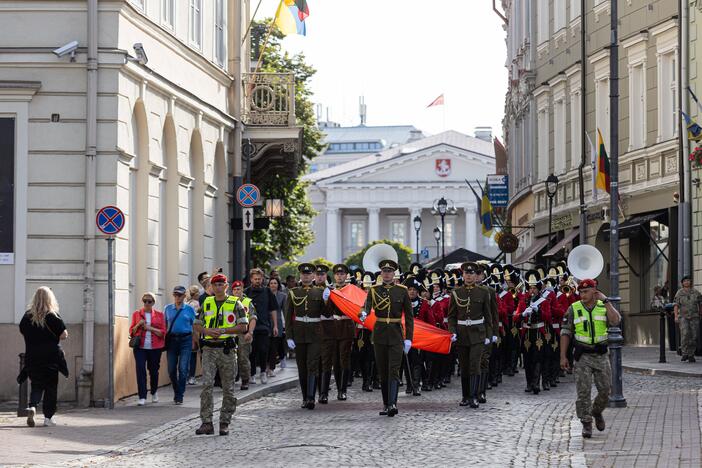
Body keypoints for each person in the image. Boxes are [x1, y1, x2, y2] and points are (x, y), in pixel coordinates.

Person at [560, 278, 621, 438]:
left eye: (586, 291)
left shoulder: (603, 306)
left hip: (601, 355)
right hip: (582, 356)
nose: (582, 294)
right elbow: (565, 332)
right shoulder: (573, 308)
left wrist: (606, 301)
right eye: (580, 291)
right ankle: (586, 423)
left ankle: (596, 411)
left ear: (595, 291)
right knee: (583, 392)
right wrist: (563, 356)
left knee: (605, 390)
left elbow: (615, 321)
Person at [194, 273, 248, 436]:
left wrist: (224, 330)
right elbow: (197, 324)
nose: (217, 287)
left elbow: (243, 326)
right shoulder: (207, 303)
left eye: (220, 285)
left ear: (226, 286)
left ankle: (224, 421)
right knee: (207, 385)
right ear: (211, 286)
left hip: (227, 349)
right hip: (209, 349)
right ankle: (206, 422)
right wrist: (206, 331)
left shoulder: (235, 303)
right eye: (215, 285)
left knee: (228, 388)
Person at [360, 259, 414, 417]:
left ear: (394, 273)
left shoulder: (402, 290)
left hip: (397, 334)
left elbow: (409, 317)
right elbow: (367, 305)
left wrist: (409, 338)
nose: (387, 274)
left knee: (394, 370)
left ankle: (392, 404)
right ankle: (386, 404)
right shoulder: (374, 290)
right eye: (384, 271)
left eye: (390, 271)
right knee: (383, 371)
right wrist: (363, 313)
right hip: (380, 334)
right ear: (381, 273)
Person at [19, 286, 68, 427]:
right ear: (50, 299)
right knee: (51, 388)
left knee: (36, 385)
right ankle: (48, 419)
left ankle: (32, 407)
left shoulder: (27, 316)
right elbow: (63, 335)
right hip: (51, 358)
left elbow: (22, 331)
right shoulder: (52, 316)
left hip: (32, 357)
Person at [447, 263, 492, 408]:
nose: (469, 276)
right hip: (461, 334)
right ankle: (465, 396)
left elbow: (488, 316)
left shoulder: (483, 292)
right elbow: (452, 316)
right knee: (464, 366)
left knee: (475, 365)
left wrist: (489, 335)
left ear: (475, 275)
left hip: (478, 334)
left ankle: (474, 396)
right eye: (466, 273)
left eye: (472, 273)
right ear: (463, 275)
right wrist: (452, 331)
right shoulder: (456, 293)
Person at [285, 263, 325, 409]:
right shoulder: (293, 292)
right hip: (299, 333)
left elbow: (326, 313)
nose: (306, 276)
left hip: (315, 333)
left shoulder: (320, 292)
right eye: (304, 274)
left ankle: (310, 398)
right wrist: (289, 336)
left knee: (312, 365)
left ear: (313, 276)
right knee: (302, 367)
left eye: (309, 274)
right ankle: (304, 397)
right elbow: (288, 316)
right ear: (300, 276)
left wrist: (327, 300)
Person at [129, 292, 166, 406]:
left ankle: (154, 392)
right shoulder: (136, 314)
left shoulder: (159, 315)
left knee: (154, 371)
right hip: (140, 347)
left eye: (149, 301)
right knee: (140, 370)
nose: (146, 303)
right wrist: (137, 325)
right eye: (144, 301)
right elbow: (131, 332)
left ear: (153, 303)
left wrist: (149, 328)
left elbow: (162, 333)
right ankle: (142, 396)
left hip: (155, 348)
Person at [245, 268, 279, 384]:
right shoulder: (246, 292)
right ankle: (252, 374)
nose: (258, 281)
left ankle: (263, 372)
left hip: (264, 326)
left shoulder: (267, 291)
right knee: (252, 351)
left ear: (262, 279)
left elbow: (273, 309)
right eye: (255, 279)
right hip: (250, 328)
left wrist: (275, 325)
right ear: (251, 279)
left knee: (264, 350)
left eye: (259, 279)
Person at [164, 286, 197, 404]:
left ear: (184, 296)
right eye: (175, 295)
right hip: (172, 340)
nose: (177, 297)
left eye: (180, 295)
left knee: (183, 369)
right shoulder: (167, 309)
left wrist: (195, 341)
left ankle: (180, 395)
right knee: (171, 369)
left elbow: (195, 326)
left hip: (186, 340)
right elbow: (164, 326)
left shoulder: (189, 309)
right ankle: (176, 390)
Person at [232, 280, 256, 389]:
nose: (237, 291)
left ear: (242, 290)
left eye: (239, 289)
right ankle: (230, 380)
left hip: (243, 334)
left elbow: (253, 318)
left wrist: (250, 332)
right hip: (231, 333)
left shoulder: (247, 302)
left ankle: (245, 380)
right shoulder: (228, 302)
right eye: (235, 289)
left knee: (243, 358)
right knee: (229, 358)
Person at [674, 276, 702, 362]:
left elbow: (700, 303)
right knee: (685, 334)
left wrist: (700, 313)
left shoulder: (696, 292)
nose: (686, 282)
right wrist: (675, 316)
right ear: (682, 283)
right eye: (685, 281)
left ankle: (691, 354)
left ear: (690, 282)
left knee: (694, 335)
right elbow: (676, 305)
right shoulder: (679, 293)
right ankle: (685, 353)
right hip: (683, 317)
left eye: (688, 281)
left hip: (694, 317)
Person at [267, 277, 287, 372]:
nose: (273, 285)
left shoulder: (282, 296)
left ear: (278, 285)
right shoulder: (265, 294)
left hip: (278, 323)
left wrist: (285, 325)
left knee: (275, 345)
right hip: (266, 322)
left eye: (275, 283)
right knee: (267, 346)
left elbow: (285, 311)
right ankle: (267, 366)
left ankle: (272, 367)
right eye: (271, 283)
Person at [186, 285, 201, 385]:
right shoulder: (196, 304)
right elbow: (196, 319)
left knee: (185, 355)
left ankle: (185, 375)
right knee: (193, 355)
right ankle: (191, 376)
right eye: (198, 293)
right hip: (193, 331)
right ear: (195, 294)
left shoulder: (185, 303)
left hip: (185, 331)